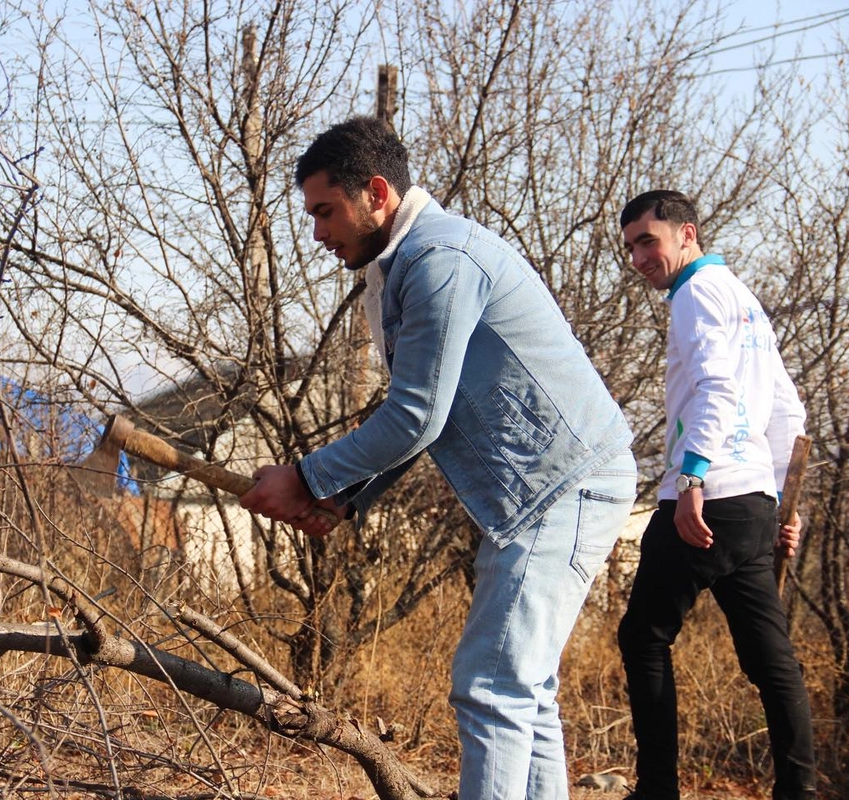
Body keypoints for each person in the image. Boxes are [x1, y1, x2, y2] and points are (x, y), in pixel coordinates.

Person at [239, 116, 636, 800]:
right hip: (543, 497)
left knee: (492, 684)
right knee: (522, 691)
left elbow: (416, 416)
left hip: (564, 491)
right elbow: (432, 411)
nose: (317, 233)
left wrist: (306, 476)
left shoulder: (439, 261)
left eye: (326, 211)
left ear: (378, 194)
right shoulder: (404, 268)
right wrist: (345, 497)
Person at [616, 190, 816, 800]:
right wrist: (785, 502)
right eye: (629, 248)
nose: (638, 258)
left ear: (687, 234)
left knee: (643, 637)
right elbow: (788, 411)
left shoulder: (695, 295)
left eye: (648, 241)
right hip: (753, 502)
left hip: (705, 497)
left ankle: (657, 791)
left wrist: (694, 478)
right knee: (770, 659)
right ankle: (800, 791)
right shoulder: (743, 300)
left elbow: (716, 385)